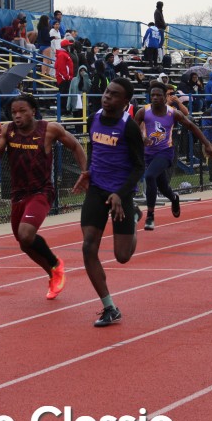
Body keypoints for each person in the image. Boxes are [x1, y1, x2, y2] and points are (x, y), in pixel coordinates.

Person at [0, 94, 87, 299]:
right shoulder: (7, 130)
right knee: (24, 243)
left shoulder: (49, 129)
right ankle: (53, 272)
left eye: (22, 111)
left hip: (42, 191)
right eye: (14, 112)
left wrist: (85, 172)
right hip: (18, 194)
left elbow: (76, 146)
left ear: (33, 111)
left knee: (26, 234)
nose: (17, 115)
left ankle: (55, 263)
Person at [72, 78, 144, 326]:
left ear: (125, 101)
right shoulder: (93, 118)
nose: (106, 97)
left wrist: (121, 194)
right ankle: (109, 307)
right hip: (96, 189)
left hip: (121, 194)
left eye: (113, 95)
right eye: (106, 92)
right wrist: (88, 171)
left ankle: (133, 218)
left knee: (122, 256)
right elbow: (94, 148)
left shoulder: (129, 127)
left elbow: (139, 167)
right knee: (88, 247)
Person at [135, 81, 212, 231]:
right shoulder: (143, 112)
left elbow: (191, 126)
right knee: (162, 186)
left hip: (165, 153)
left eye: (158, 95)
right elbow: (134, 130)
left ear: (165, 97)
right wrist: (141, 137)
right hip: (148, 154)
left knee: (149, 176)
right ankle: (174, 198)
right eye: (152, 95)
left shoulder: (173, 113)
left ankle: (150, 215)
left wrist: (207, 144)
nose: (155, 98)